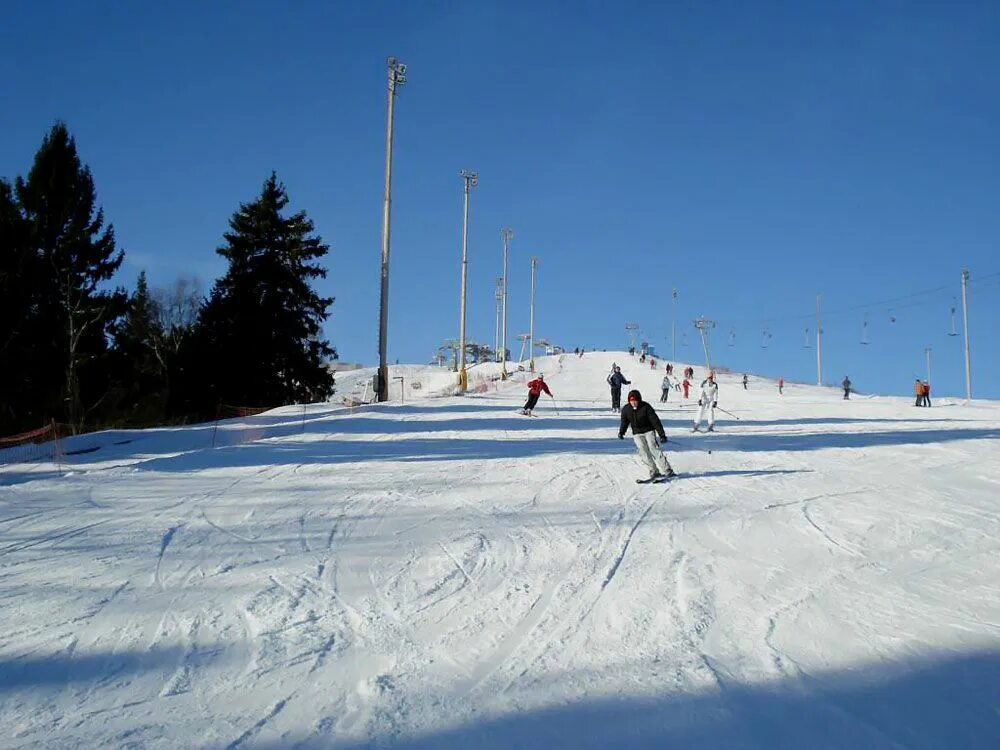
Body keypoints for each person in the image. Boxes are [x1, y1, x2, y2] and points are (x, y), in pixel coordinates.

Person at [618, 389, 676, 481]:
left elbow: (655, 421)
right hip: (637, 433)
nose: (633, 403)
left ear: (639, 400)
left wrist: (662, 434)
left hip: (648, 431)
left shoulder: (646, 407)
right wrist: (621, 432)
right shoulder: (626, 409)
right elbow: (624, 422)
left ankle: (667, 469)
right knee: (643, 450)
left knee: (653, 448)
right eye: (631, 401)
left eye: (635, 400)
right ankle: (653, 471)